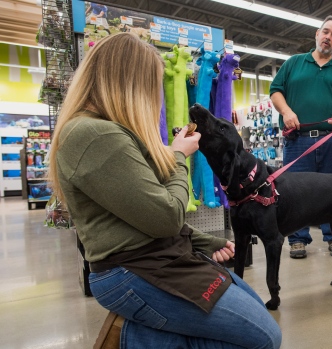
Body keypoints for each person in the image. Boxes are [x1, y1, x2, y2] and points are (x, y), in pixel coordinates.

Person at [47, 33, 281, 348]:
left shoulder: (108, 132)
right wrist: (179, 156)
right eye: (154, 84)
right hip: (134, 270)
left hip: (159, 257)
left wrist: (204, 240)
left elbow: (139, 214)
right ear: (131, 83)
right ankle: (136, 339)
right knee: (263, 337)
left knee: (256, 315)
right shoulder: (94, 135)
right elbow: (166, 216)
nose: (156, 95)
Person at [269, 15, 332, 259]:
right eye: (325, 32)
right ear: (316, 35)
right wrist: (286, 112)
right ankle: (298, 239)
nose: (328, 37)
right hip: (298, 141)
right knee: (295, 193)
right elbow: (275, 91)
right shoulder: (294, 63)